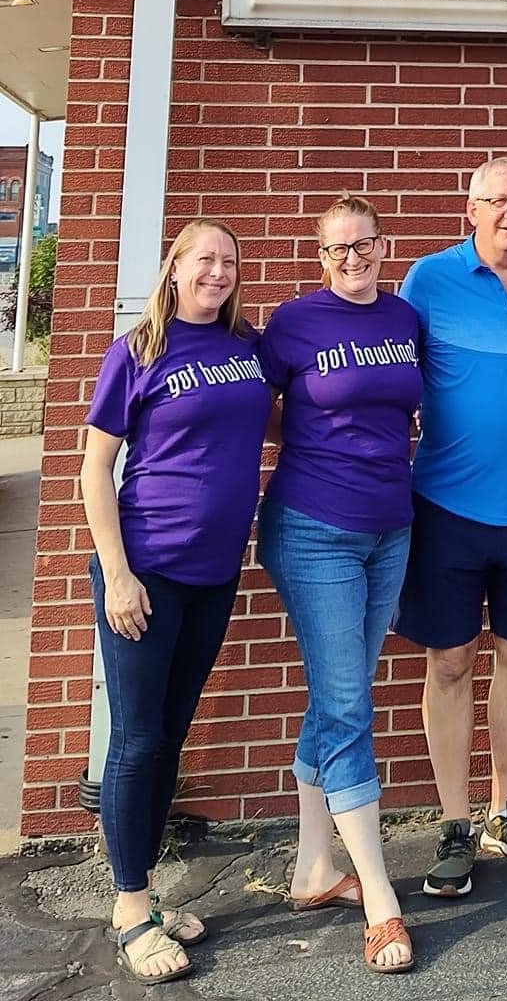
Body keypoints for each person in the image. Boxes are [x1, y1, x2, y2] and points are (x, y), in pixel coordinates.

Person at [81, 219, 270, 984]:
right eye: (204, 259)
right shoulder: (138, 351)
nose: (217, 271)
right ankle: (129, 905)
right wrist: (117, 573)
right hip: (146, 570)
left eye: (228, 261)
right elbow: (94, 470)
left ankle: (147, 892)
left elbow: (283, 419)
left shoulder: (245, 348)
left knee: (170, 733)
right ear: (175, 267)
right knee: (137, 740)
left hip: (214, 573)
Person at [395, 156, 507, 899]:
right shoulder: (427, 281)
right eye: (496, 201)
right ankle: (456, 824)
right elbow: (387, 378)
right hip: (445, 508)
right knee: (450, 662)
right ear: (469, 209)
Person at [256, 192, 422, 975]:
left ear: (384, 247)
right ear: (318, 257)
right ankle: (382, 900)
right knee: (352, 702)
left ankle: (313, 867)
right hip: (313, 528)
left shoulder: (403, 320)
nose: (352, 260)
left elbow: (406, 412)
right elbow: (257, 412)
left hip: (391, 528)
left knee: (336, 695)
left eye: (364, 245)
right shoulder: (292, 324)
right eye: (336, 250)